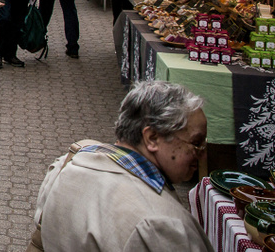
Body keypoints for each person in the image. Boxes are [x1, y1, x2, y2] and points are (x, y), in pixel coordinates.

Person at [31, 80, 213, 252]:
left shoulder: (69, 161)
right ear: (152, 138)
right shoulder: (160, 224)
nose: (203, 154)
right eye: (196, 143)